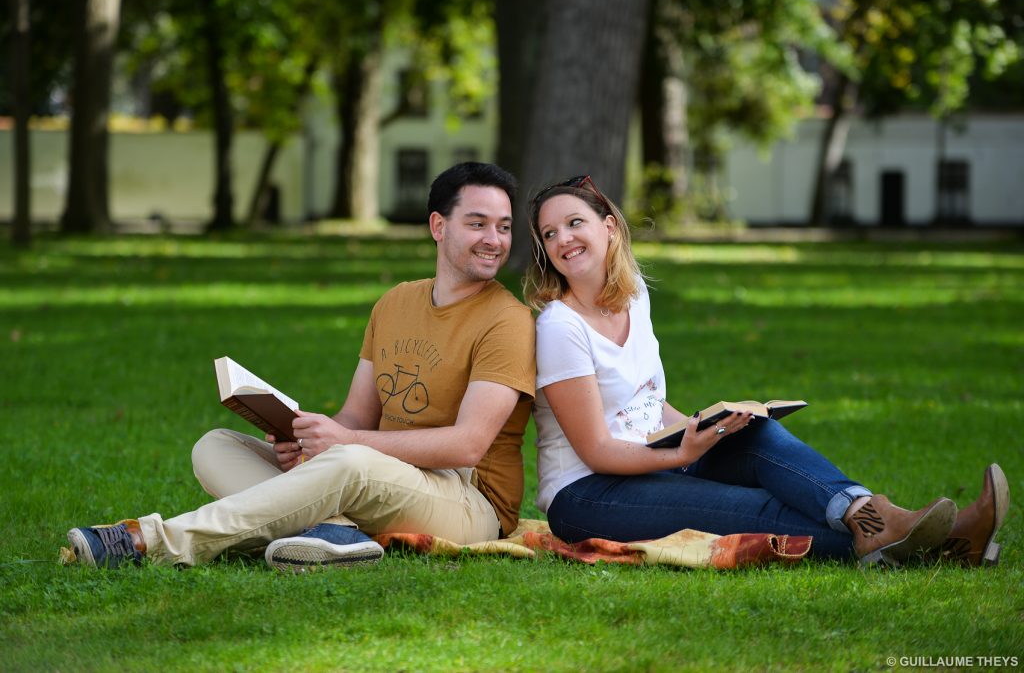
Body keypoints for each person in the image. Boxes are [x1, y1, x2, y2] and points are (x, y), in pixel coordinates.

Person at [67, 162, 536, 572]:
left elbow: (468, 445)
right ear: (438, 226)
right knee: (215, 447)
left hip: (468, 501)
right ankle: (336, 536)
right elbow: (356, 417)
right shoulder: (395, 303)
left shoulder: (507, 321)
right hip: (379, 473)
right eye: (478, 224)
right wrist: (311, 442)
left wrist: (345, 445)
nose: (494, 240)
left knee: (349, 462)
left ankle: (151, 540)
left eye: (504, 227)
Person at [523, 174, 1009, 567]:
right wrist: (681, 455)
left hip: (654, 451)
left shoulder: (634, 296)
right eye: (550, 233)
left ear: (609, 227)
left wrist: (703, 426)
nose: (563, 239)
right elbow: (597, 448)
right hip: (589, 493)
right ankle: (939, 545)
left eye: (573, 223)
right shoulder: (560, 327)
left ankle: (869, 514)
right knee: (753, 511)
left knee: (759, 438)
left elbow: (644, 402)